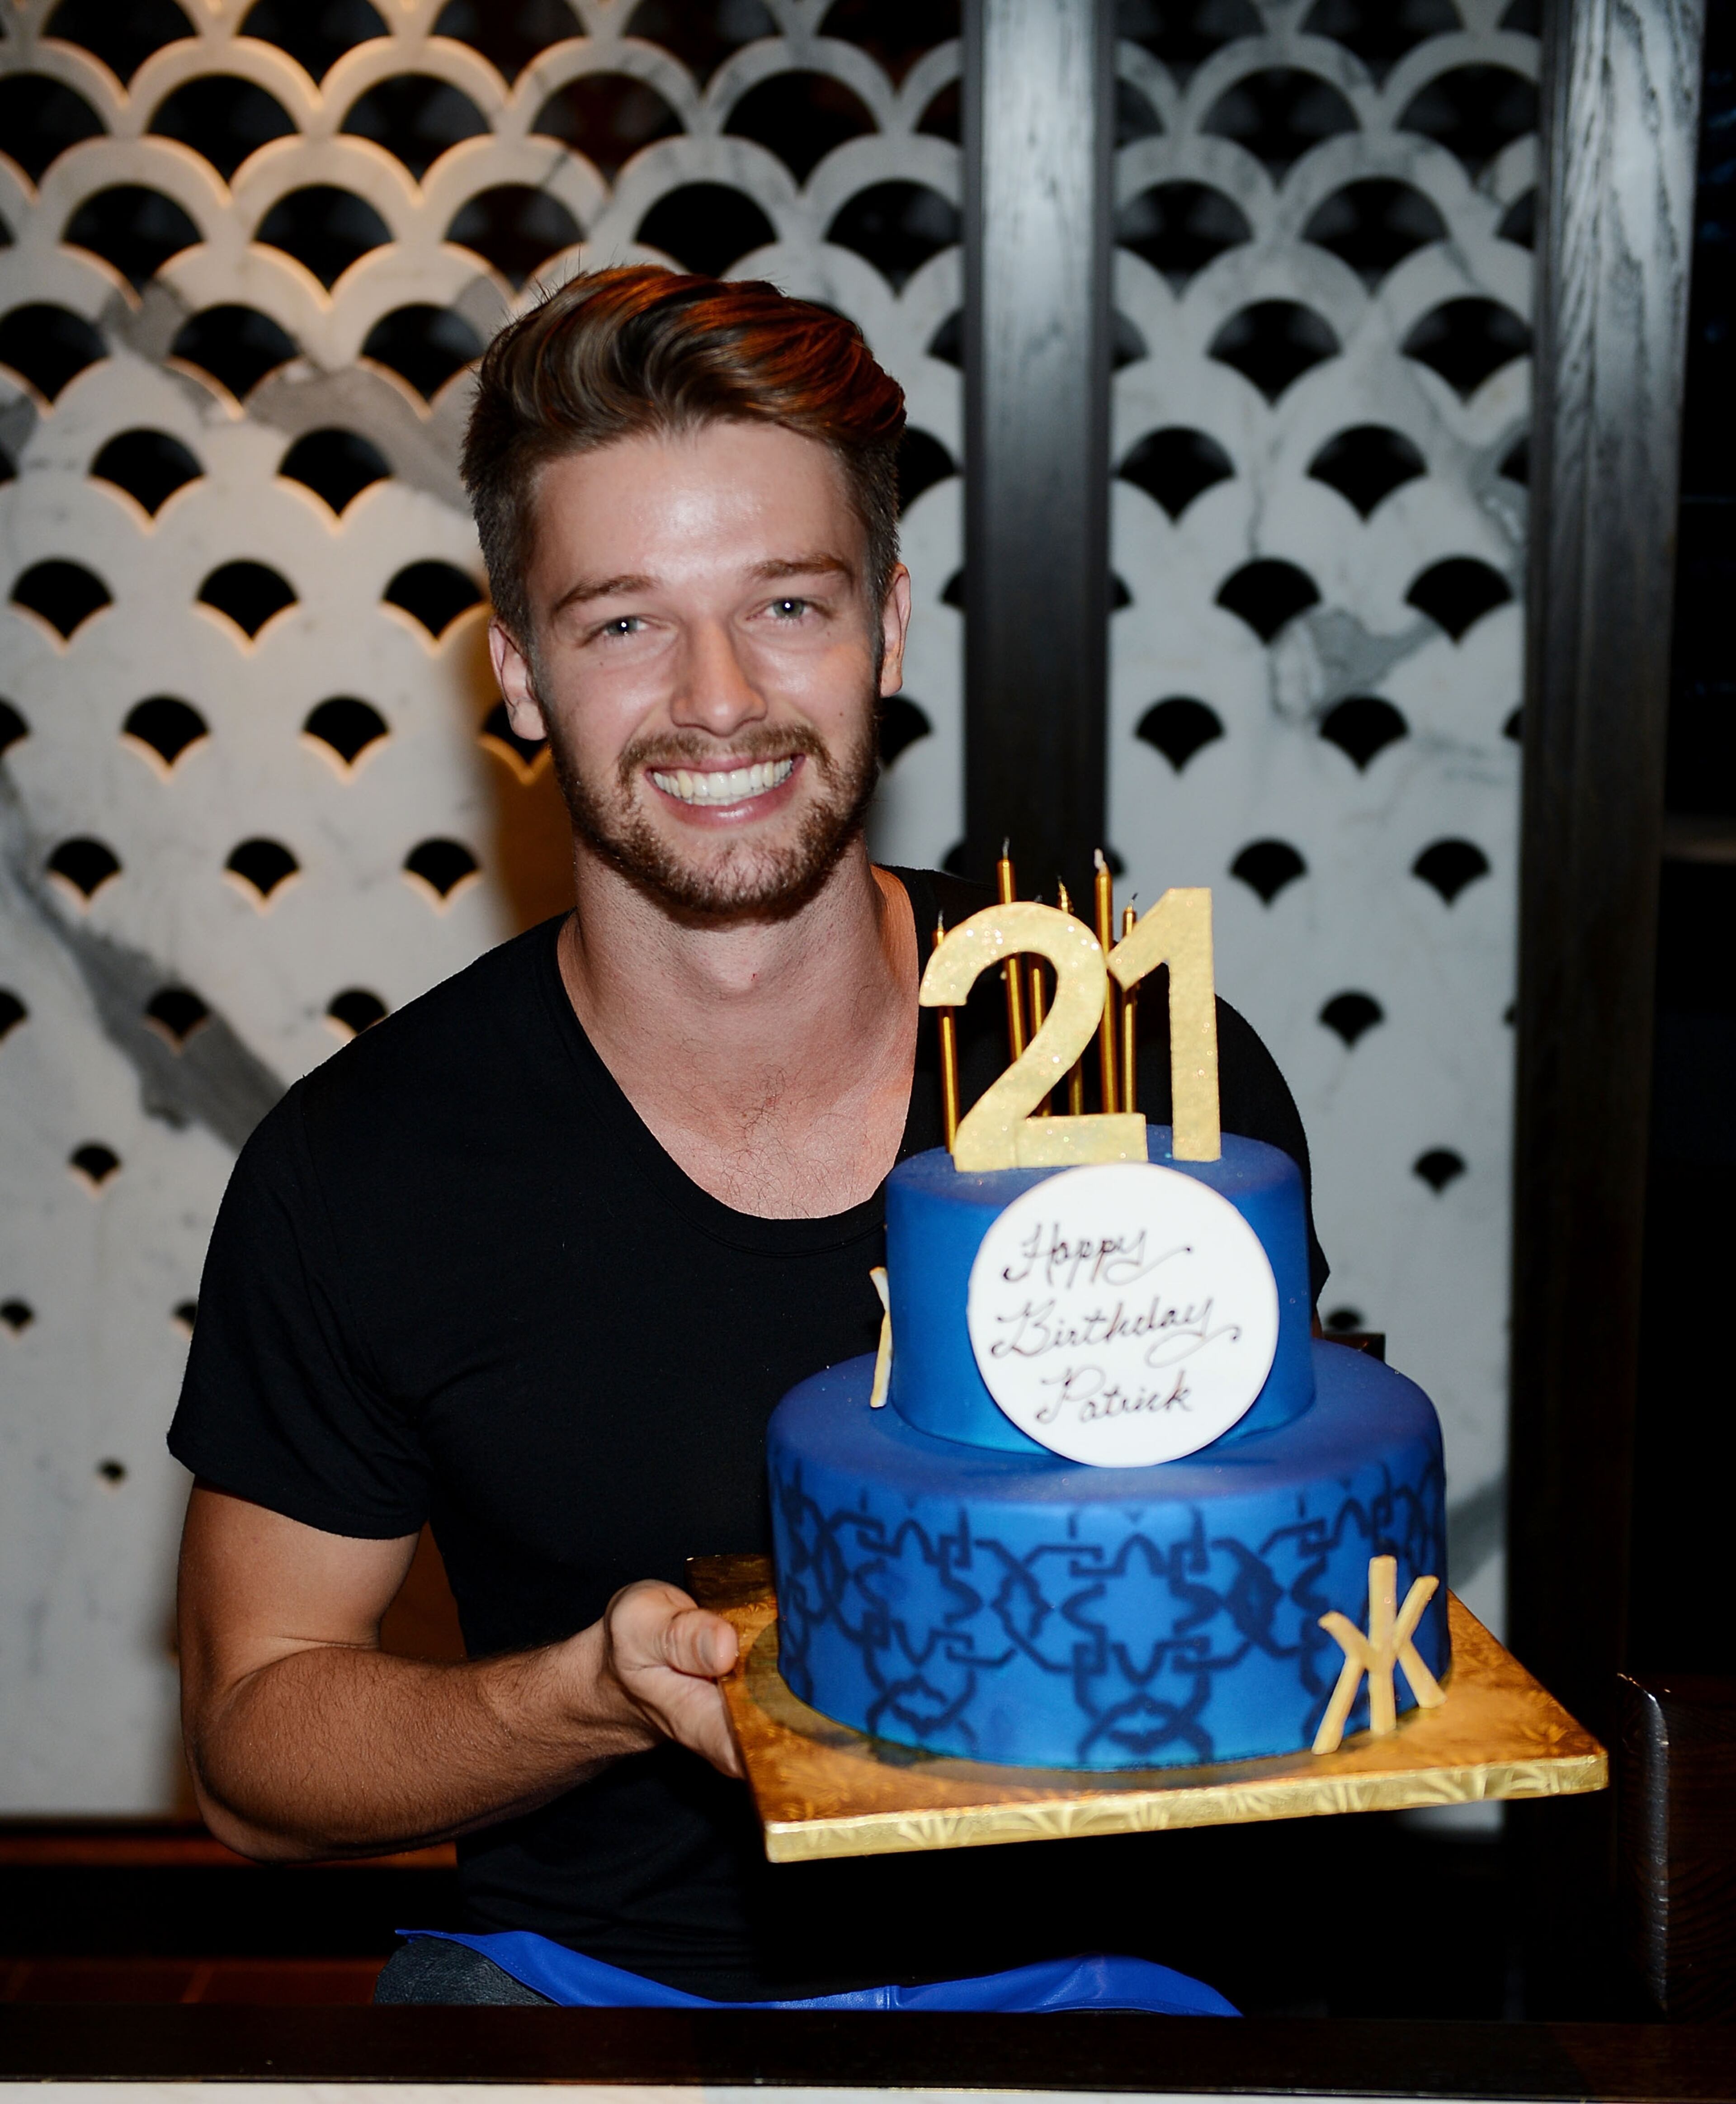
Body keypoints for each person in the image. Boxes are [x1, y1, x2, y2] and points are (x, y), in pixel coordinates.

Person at [169, 268, 1326, 2007]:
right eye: (625, 621)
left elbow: (1289, 1583)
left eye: (787, 601)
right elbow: (255, 1744)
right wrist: (577, 1700)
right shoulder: (368, 1164)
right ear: (524, 676)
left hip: (1099, 1965)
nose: (718, 698)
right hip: (581, 1986)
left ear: (890, 628)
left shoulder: (1135, 1062)